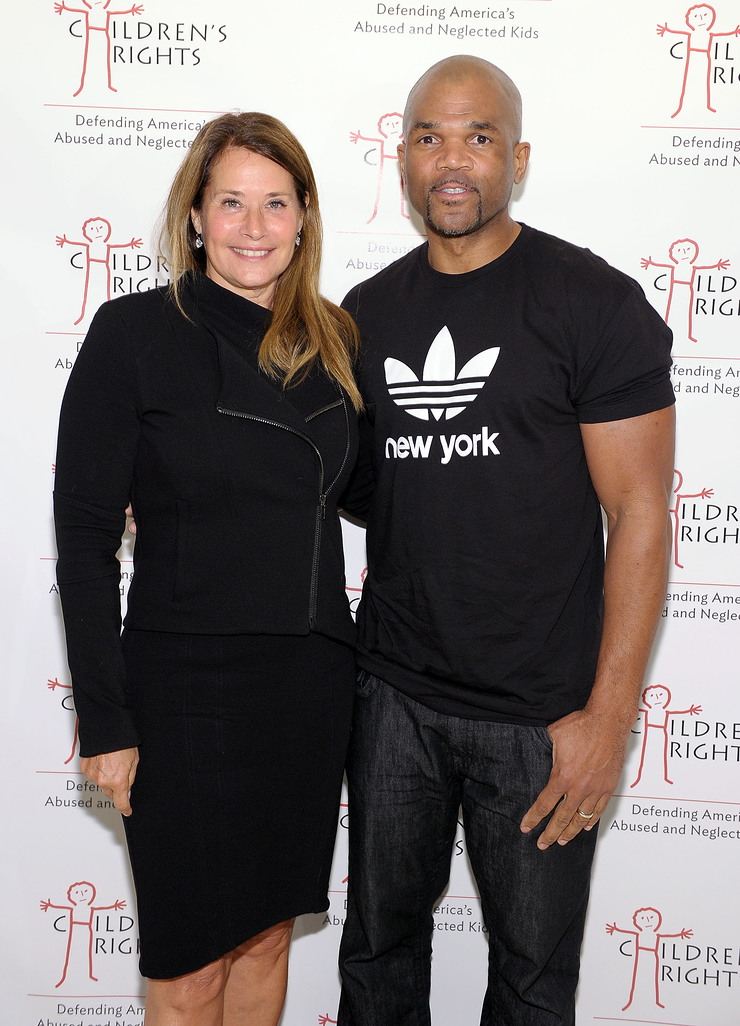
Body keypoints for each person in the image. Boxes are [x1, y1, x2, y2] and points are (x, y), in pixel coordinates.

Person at [336, 55, 675, 1025]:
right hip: (393, 694)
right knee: (375, 957)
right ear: (400, 157)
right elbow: (352, 488)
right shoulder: (364, 316)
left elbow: (641, 512)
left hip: (541, 716)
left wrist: (606, 719)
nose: (452, 160)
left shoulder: (591, 304)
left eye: (477, 137)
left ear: (515, 157)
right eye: (429, 137)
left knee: (531, 981)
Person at [53, 111, 362, 1026]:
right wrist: (106, 721)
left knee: (268, 933)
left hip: (307, 683)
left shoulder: (336, 341)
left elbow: (381, 493)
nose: (254, 226)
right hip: (183, 688)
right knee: (188, 960)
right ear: (195, 216)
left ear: (304, 217)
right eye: (231, 202)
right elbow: (81, 538)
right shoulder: (136, 333)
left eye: (276, 203)